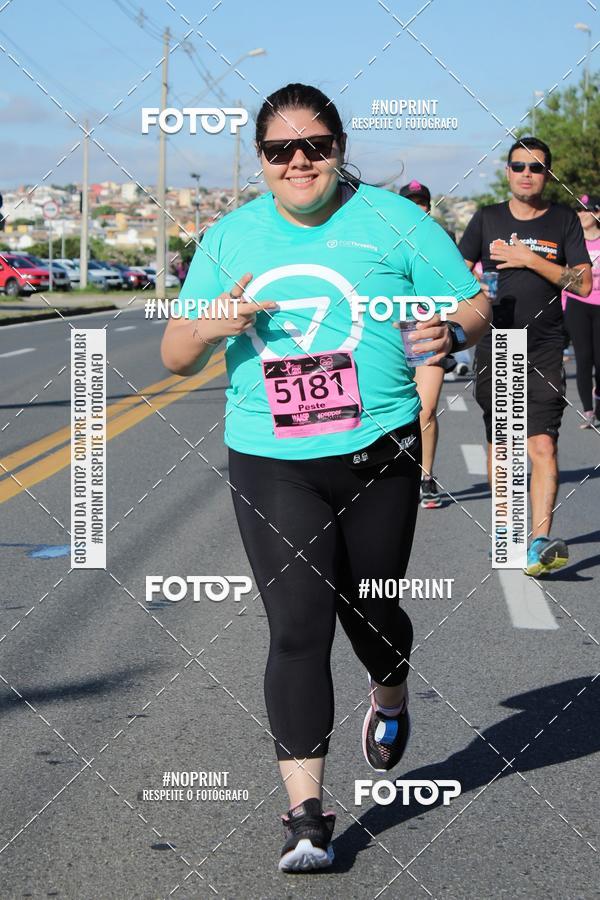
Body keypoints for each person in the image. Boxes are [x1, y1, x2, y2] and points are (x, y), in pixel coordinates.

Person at [161, 83, 489, 873]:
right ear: (262, 161)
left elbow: (476, 302)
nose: (299, 161)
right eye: (280, 151)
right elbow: (175, 353)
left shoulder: (394, 220)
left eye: (316, 146)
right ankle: (306, 816)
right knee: (298, 626)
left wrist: (448, 324)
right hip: (273, 459)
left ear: (340, 148)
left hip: (380, 447)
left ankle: (392, 691)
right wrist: (213, 324)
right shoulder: (231, 238)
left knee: (370, 615)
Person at [459, 137, 592, 576]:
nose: (526, 173)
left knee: (543, 445)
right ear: (508, 172)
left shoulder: (563, 221)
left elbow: (582, 284)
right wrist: (472, 289)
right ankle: (506, 532)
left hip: (545, 345)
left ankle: (537, 543)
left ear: (547, 174)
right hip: (498, 342)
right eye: (518, 166)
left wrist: (527, 258)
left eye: (535, 167)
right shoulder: (486, 219)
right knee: (505, 445)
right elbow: (454, 271)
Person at [399, 180, 460, 508]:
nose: (418, 207)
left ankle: (426, 477)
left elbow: (457, 286)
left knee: (425, 408)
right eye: (411, 202)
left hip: (425, 328)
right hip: (387, 331)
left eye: (422, 201)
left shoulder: (441, 238)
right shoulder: (382, 238)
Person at [562, 195, 600, 428]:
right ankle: (588, 411)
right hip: (577, 305)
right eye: (578, 209)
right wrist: (564, 307)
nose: (582, 214)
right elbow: (563, 277)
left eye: (587, 209)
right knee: (584, 359)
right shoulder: (573, 243)